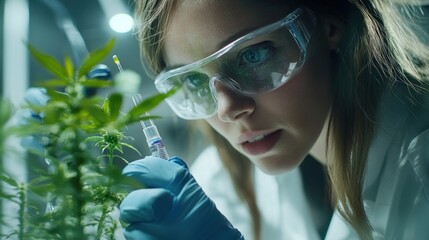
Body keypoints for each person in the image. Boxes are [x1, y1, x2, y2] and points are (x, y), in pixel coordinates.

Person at [119, 0, 429, 239]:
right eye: (197, 81)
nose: (227, 108)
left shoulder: (420, 166)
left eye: (253, 55)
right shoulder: (218, 179)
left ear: (328, 25)